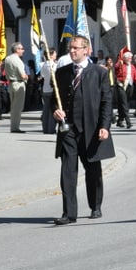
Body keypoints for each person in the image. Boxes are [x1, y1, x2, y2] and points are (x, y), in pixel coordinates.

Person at [51, 35, 114, 225]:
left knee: (92, 170)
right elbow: (54, 97)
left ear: (86, 50)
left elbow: (106, 102)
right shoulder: (61, 73)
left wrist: (104, 126)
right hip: (68, 129)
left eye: (76, 48)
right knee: (67, 171)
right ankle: (69, 213)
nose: (72, 51)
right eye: (70, 48)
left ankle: (95, 205)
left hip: (91, 130)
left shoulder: (99, 73)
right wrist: (56, 109)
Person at [113, 51, 136, 129]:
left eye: (130, 58)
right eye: (128, 58)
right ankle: (128, 121)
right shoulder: (120, 64)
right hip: (121, 85)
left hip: (129, 86)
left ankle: (120, 120)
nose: (130, 59)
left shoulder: (132, 67)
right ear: (125, 58)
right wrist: (120, 62)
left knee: (123, 103)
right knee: (124, 103)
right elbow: (116, 67)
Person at [3, 43, 28, 133]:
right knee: (18, 107)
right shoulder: (18, 60)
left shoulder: (8, 58)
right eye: (21, 49)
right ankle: (15, 127)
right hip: (19, 83)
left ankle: (13, 126)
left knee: (13, 107)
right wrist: (27, 77)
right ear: (17, 49)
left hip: (11, 83)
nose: (23, 50)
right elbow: (22, 75)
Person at [40, 49, 57, 134]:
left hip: (45, 89)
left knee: (45, 109)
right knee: (52, 110)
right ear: (50, 55)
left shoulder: (43, 65)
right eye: (54, 54)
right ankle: (50, 128)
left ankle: (45, 128)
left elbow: (42, 75)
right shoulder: (53, 65)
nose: (55, 55)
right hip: (51, 89)